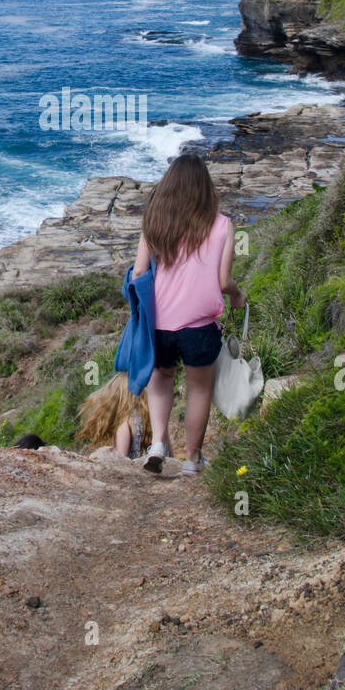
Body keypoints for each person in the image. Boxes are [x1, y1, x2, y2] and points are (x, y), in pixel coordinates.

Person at [132, 154, 247, 476]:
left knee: (161, 378)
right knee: (199, 389)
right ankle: (192, 460)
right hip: (200, 324)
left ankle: (157, 445)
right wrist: (238, 296)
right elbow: (224, 282)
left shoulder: (154, 220)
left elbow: (139, 271)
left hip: (160, 323)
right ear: (204, 188)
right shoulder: (222, 225)